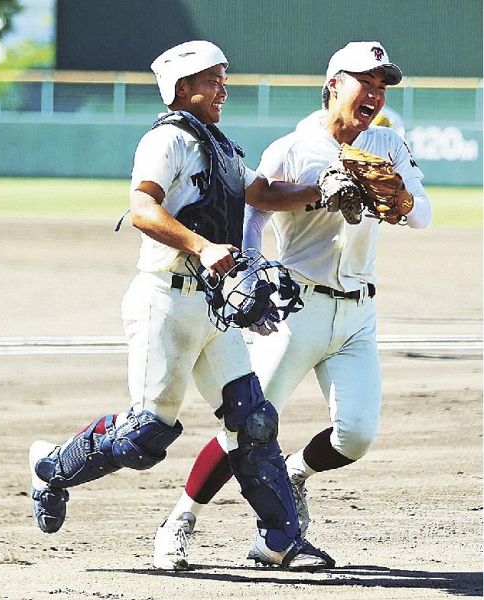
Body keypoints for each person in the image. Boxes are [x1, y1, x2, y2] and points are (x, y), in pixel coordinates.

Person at [28, 40, 336, 572]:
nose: (224, 87)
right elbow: (143, 209)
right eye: (213, 79)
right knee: (146, 434)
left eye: (223, 77)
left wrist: (321, 192)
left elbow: (260, 195)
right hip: (163, 302)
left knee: (254, 421)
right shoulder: (167, 138)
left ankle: (282, 541)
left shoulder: (222, 146)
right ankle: (52, 468)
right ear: (182, 89)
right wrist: (201, 245)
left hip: (212, 308)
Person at [155, 40, 431, 569]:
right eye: (364, 81)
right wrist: (256, 272)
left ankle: (295, 477)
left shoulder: (387, 145)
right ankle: (179, 521)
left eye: (381, 85)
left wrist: (402, 199)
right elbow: (254, 207)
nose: (374, 93)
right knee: (245, 426)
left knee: (356, 435)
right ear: (334, 85)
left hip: (358, 313)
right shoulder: (295, 146)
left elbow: (421, 216)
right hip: (296, 309)